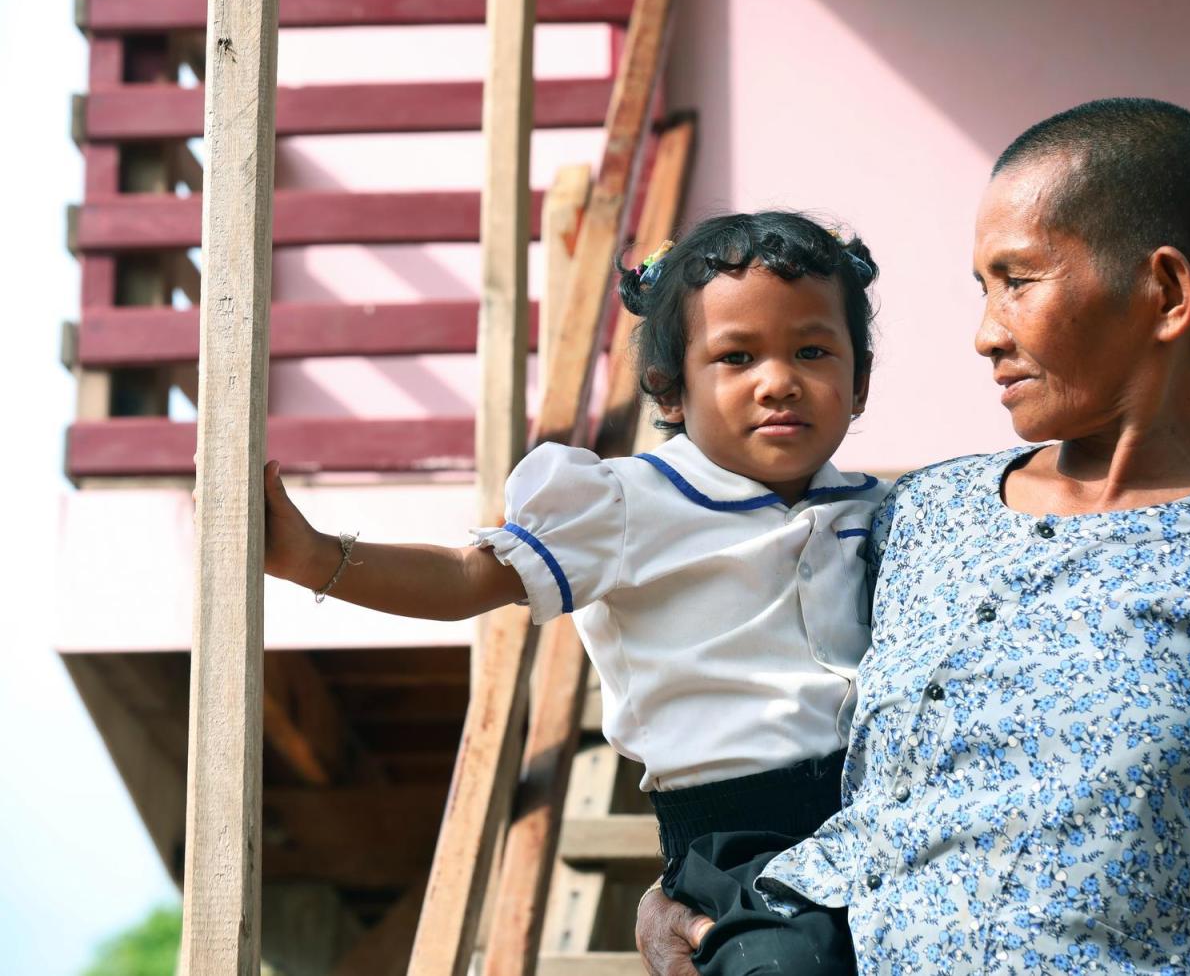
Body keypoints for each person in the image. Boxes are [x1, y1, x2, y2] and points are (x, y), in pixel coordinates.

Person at [637, 99, 1190, 974]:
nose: (985, 333)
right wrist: (681, 901)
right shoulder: (923, 517)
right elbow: (759, 724)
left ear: (1165, 292)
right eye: (981, 288)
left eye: (1019, 280)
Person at [264, 211, 890, 975]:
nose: (779, 379)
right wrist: (315, 558)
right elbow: (467, 578)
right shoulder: (629, 503)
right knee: (789, 966)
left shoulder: (880, 508)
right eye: (736, 356)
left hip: (874, 807)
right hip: (735, 832)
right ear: (670, 388)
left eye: (813, 350)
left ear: (857, 381)